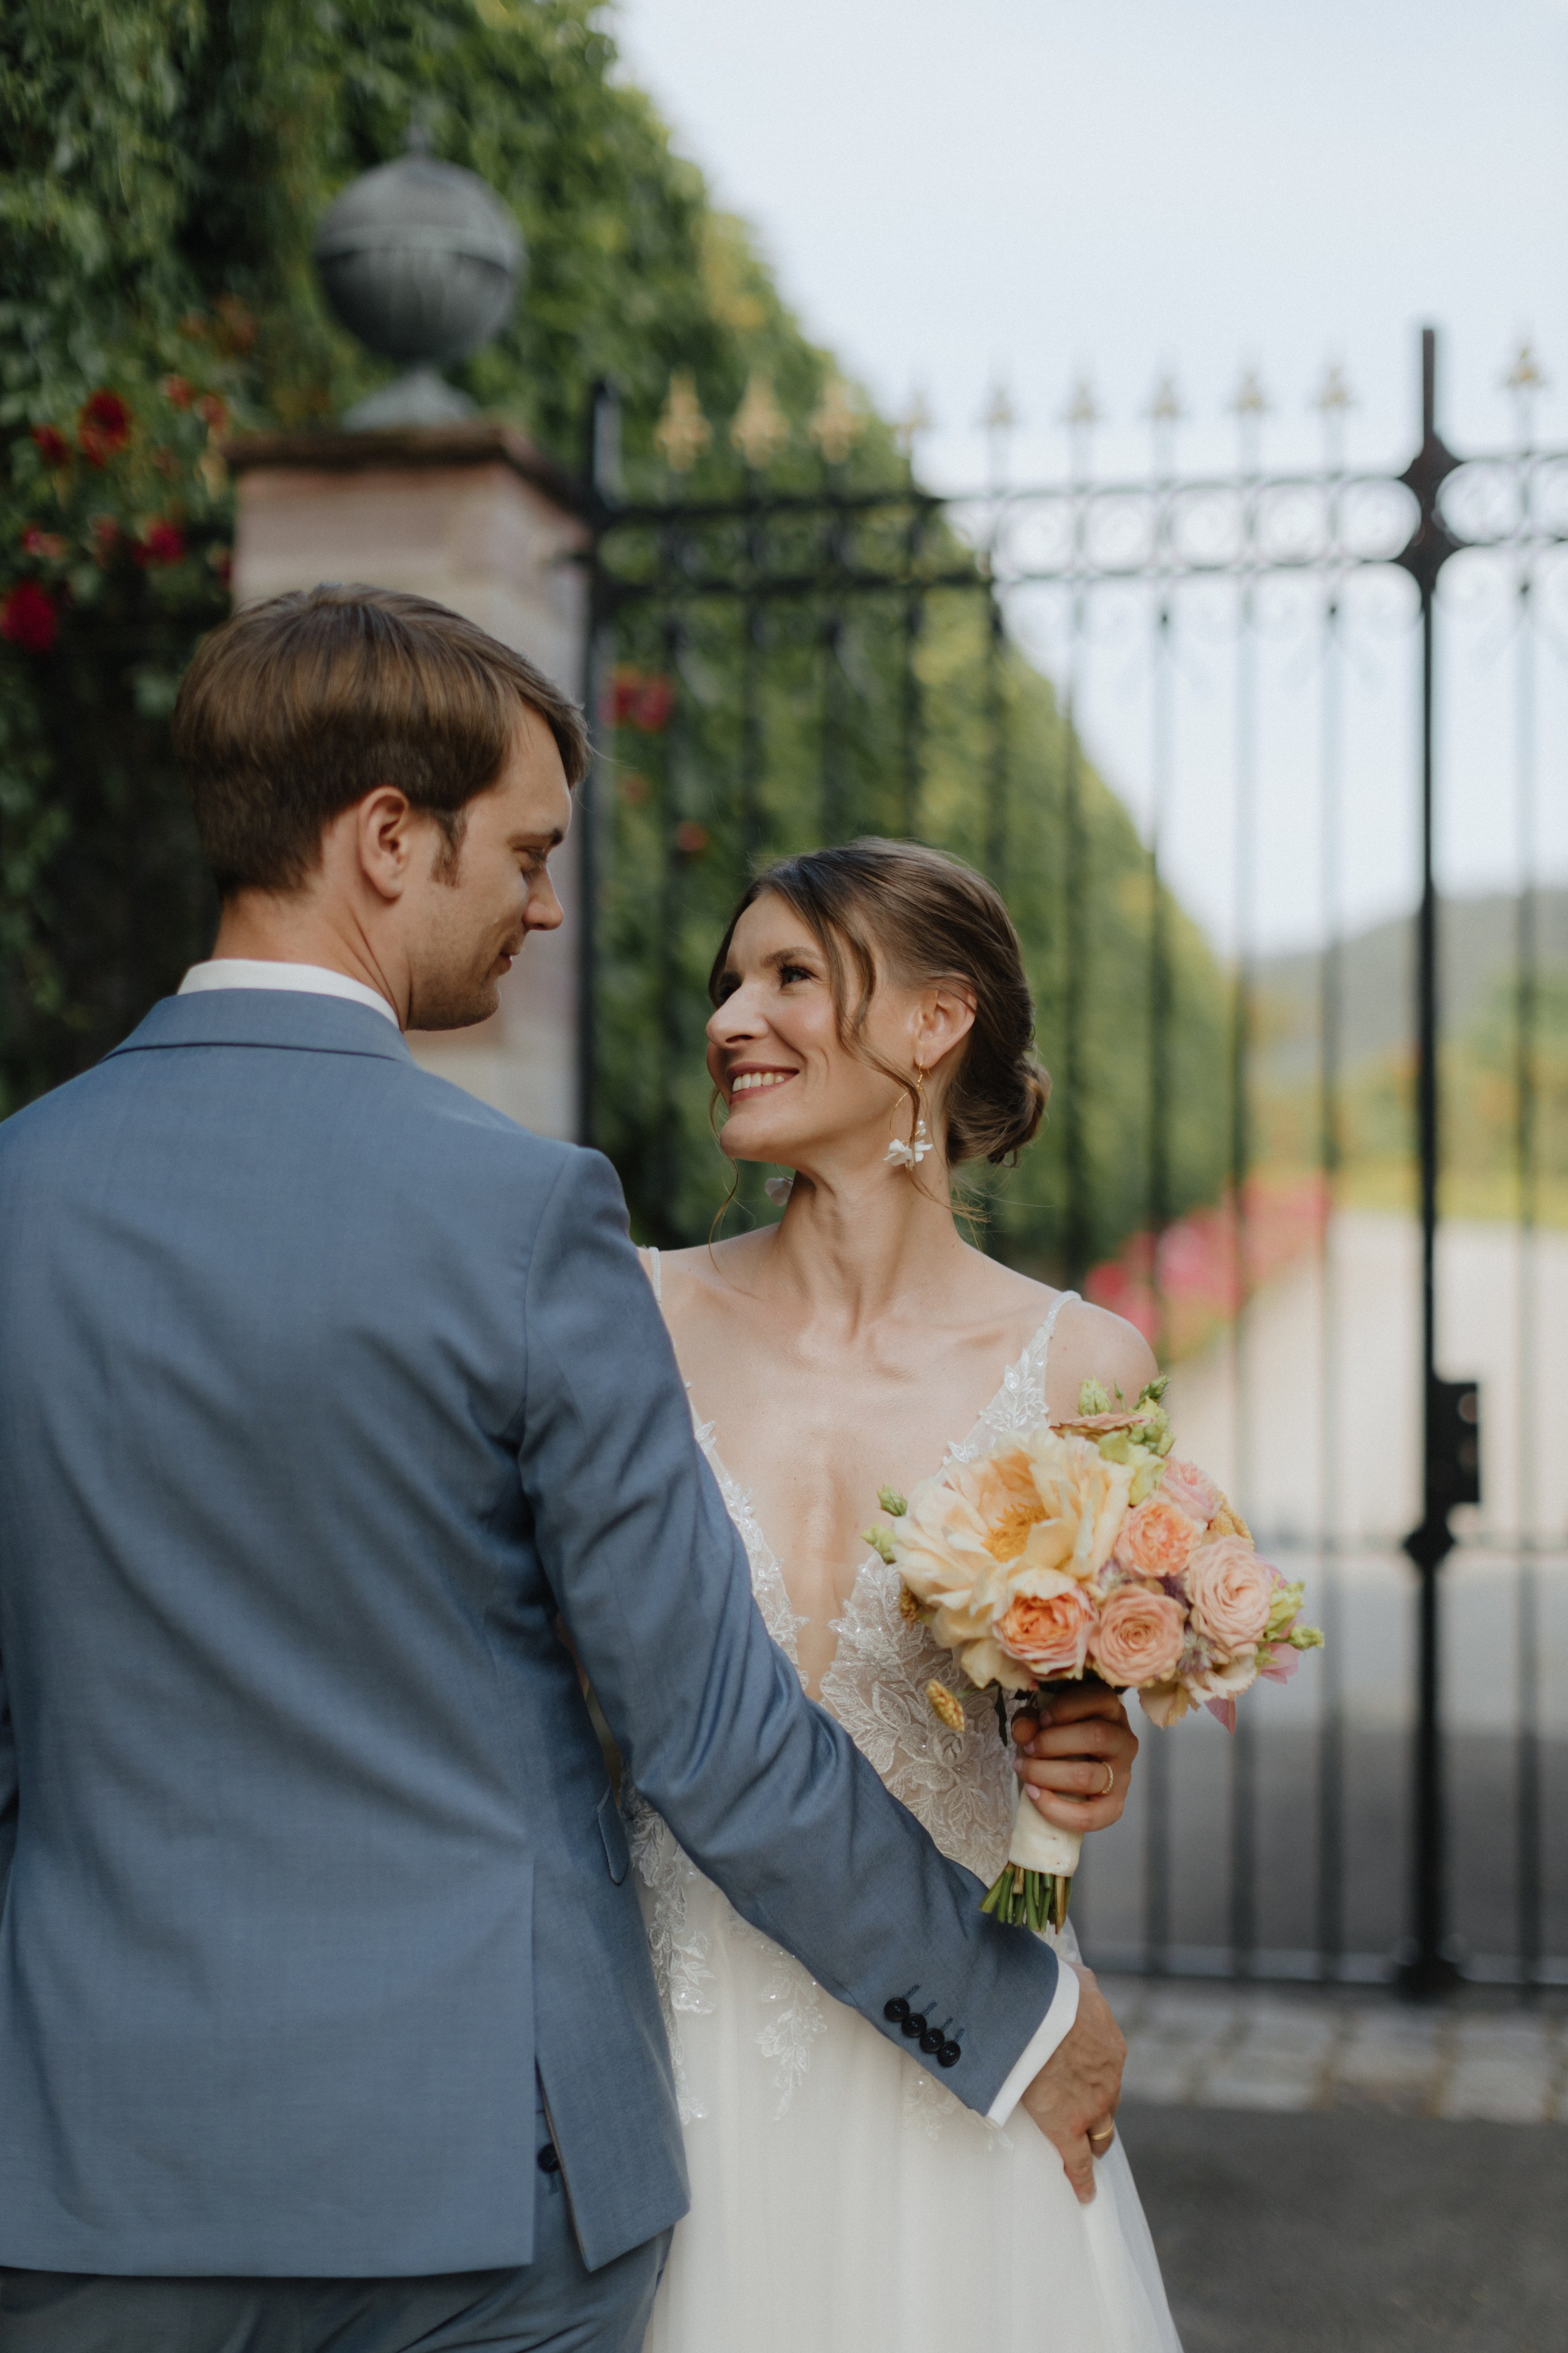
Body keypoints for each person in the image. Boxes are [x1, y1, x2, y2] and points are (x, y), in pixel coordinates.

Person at [0, 587, 1131, 2353]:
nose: (545, 905)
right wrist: (1013, 2013)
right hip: (478, 2187)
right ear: (389, 839)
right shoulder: (526, 1218)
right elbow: (711, 1735)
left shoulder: (22, 1193)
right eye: (526, 854)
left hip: (81, 2162)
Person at [636, 838, 1183, 2351]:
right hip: (673, 2042)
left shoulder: (1082, 1369)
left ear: (936, 1023)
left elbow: (1064, 1727)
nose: (729, 1018)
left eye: (789, 976)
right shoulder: (634, 1312)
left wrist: (1087, 1756)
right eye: (727, 982)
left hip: (970, 2058)